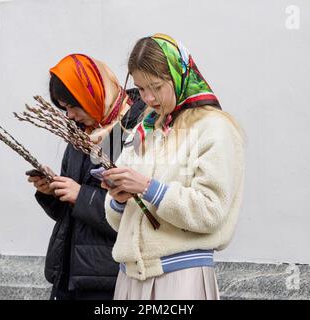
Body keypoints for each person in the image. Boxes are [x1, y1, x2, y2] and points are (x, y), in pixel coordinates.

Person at [101, 34, 245, 300]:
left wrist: (147, 188)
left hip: (180, 280)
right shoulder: (144, 131)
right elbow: (116, 218)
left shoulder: (214, 128)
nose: (148, 98)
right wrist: (119, 199)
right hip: (130, 279)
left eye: (155, 87)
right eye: (141, 88)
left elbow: (211, 210)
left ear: (179, 76)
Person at [28, 53, 146, 300]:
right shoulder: (81, 133)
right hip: (67, 276)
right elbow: (67, 216)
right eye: (64, 108)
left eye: (72, 105)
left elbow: (138, 216)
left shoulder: (133, 130)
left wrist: (80, 195)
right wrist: (53, 192)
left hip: (107, 281)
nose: (69, 115)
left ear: (91, 93)